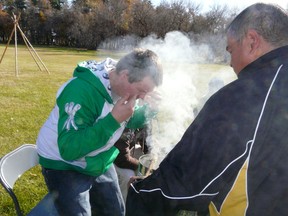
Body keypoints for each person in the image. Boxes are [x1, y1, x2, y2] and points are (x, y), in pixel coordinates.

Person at [126, 3, 288, 216]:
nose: (230, 62)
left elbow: (188, 181)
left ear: (251, 41)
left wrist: (142, 191)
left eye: (231, 49)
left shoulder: (243, 96)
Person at [36, 48, 163, 216]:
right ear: (125, 75)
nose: (141, 97)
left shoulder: (122, 88)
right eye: (141, 90)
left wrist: (150, 110)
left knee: (115, 212)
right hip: (63, 163)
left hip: (96, 158)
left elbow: (129, 118)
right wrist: (113, 121)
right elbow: (69, 149)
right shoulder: (81, 90)